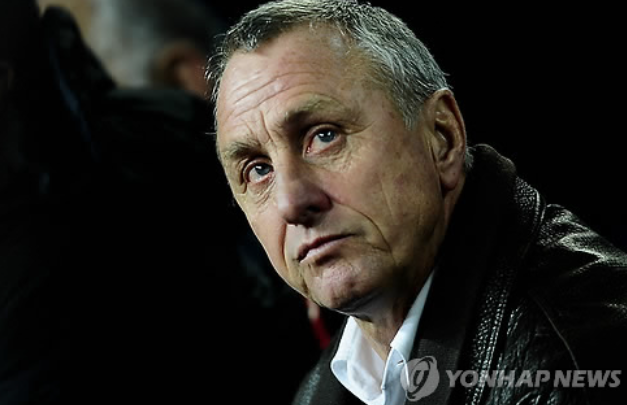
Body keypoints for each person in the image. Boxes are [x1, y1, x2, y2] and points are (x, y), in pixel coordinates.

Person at [207, 0, 627, 404]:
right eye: (258, 170)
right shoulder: (334, 381)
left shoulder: (578, 358)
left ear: (442, 138)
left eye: (324, 136)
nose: (291, 203)